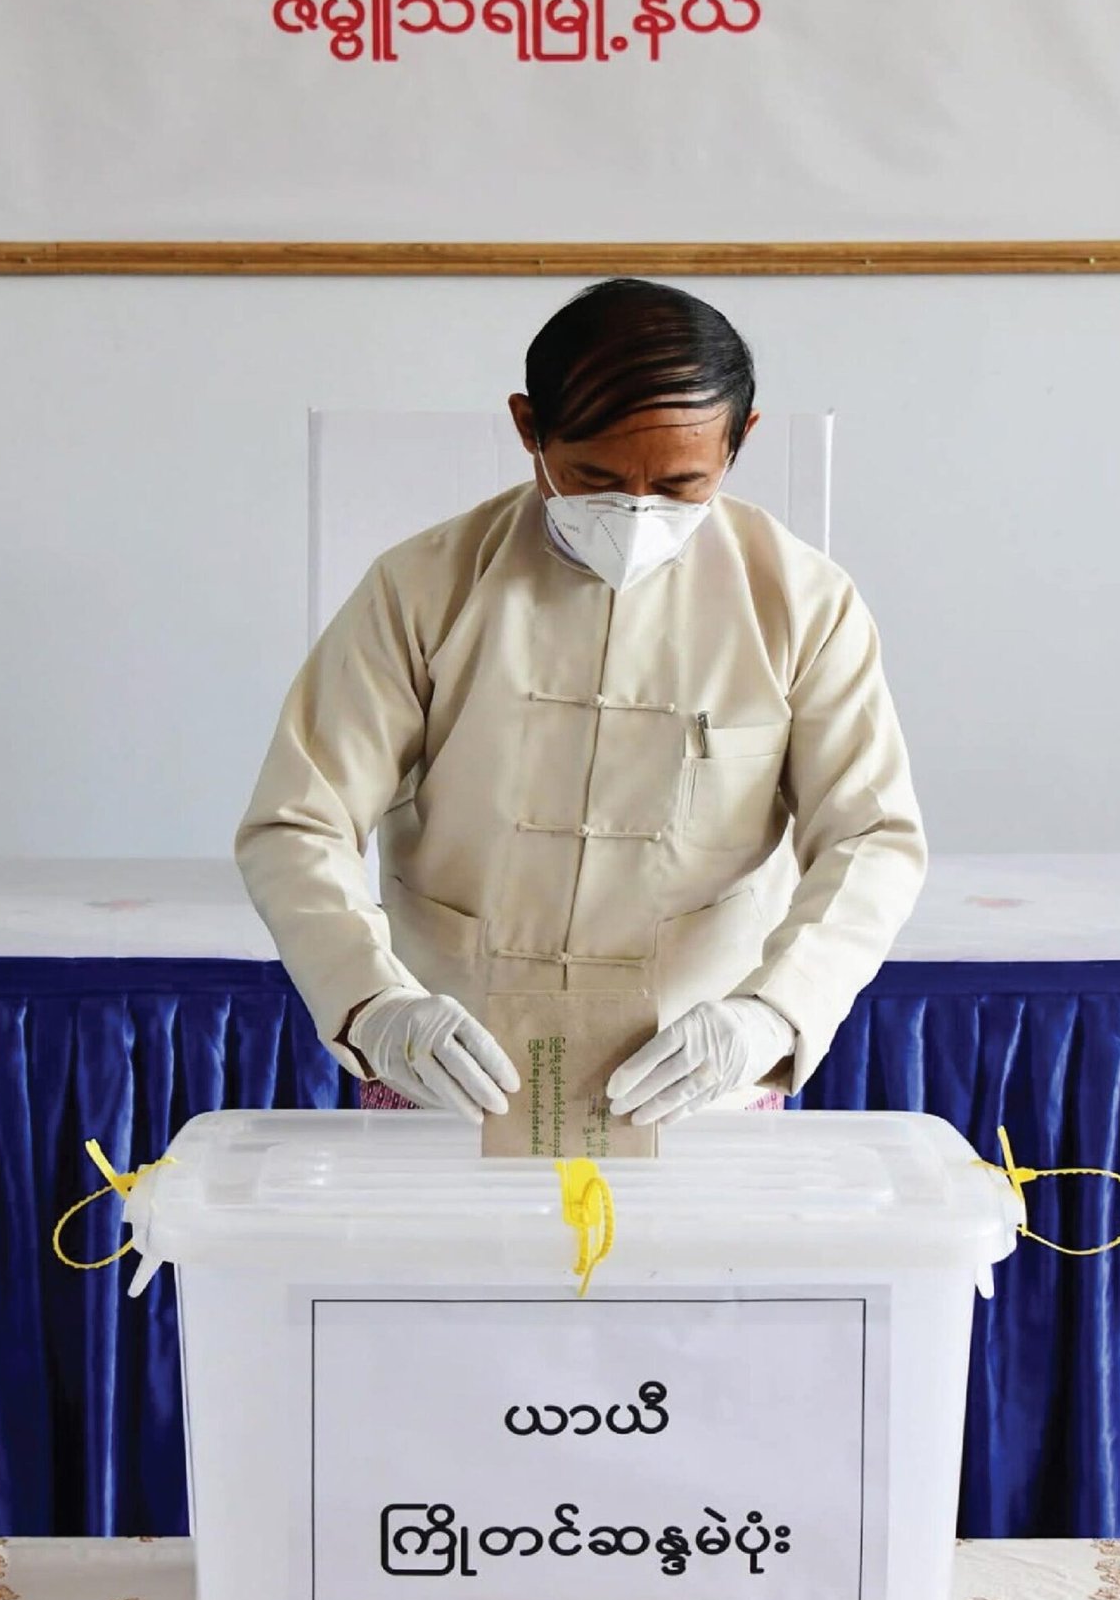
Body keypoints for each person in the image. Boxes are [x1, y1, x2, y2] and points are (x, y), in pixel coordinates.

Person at [235, 278, 926, 1128]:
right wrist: (375, 1004)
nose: (635, 512)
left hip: (700, 1079)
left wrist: (771, 1015)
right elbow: (298, 822)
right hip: (446, 1069)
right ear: (529, 427)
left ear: (740, 439)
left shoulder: (804, 604)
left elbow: (870, 837)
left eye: (680, 484)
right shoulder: (421, 588)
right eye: (593, 477)